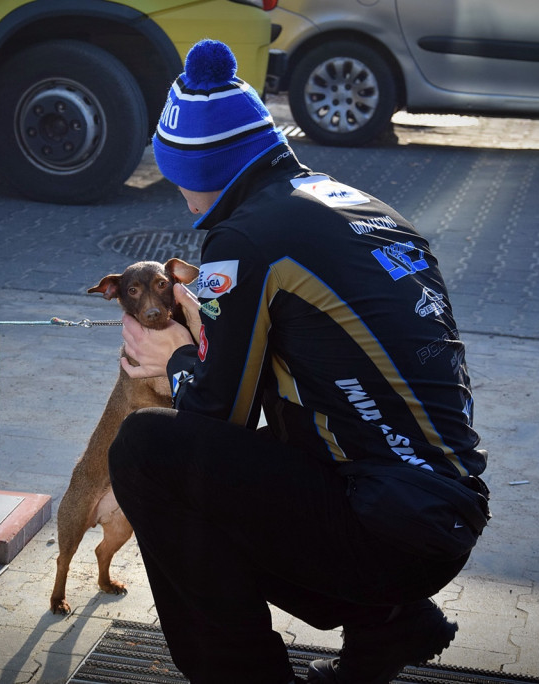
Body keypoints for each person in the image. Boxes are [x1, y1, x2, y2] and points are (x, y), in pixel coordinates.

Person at [107, 39, 488, 684]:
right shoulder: (353, 205)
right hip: (439, 512)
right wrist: (211, 342)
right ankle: (388, 620)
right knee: (280, 429)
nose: (179, 194)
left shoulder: (245, 235)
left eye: (177, 174)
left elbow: (214, 415)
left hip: (387, 529)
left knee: (147, 452)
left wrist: (176, 360)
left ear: (207, 167)